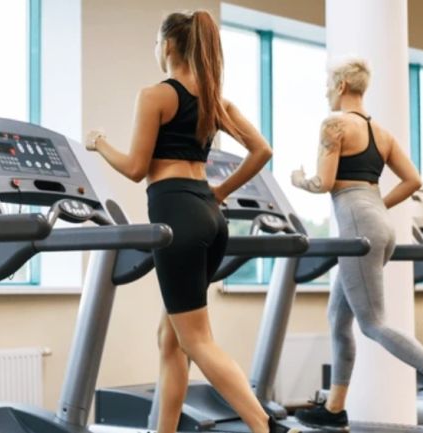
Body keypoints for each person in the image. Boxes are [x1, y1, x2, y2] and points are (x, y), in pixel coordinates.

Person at [84, 9, 286, 433]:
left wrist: (100, 144)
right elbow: (262, 150)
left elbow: (137, 168)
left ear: (170, 45)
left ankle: (265, 425)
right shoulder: (214, 99)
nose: (155, 50)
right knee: (171, 338)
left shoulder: (156, 95)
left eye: (156, 43)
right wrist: (221, 192)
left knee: (197, 340)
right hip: (210, 217)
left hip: (177, 212)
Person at [290, 58, 423, 433]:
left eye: (329, 85)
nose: (327, 92)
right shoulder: (382, 133)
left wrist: (299, 180)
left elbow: (325, 182)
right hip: (379, 224)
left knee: (373, 324)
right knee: (338, 318)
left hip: (358, 227)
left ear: (342, 85)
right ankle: (335, 408)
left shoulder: (334, 125)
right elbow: (413, 180)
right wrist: (377, 207)